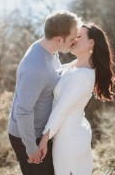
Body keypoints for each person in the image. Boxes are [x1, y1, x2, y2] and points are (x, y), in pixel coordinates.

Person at [8, 10, 82, 175]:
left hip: (38, 133)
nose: (72, 43)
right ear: (58, 39)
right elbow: (23, 110)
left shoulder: (46, 49)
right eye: (71, 39)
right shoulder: (35, 67)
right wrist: (31, 148)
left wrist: (79, 63)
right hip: (27, 136)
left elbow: (52, 74)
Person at [38, 23, 115, 175]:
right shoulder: (73, 66)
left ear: (91, 43)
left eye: (78, 36)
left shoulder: (82, 76)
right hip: (67, 134)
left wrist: (44, 140)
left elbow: (62, 109)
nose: (73, 39)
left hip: (69, 139)